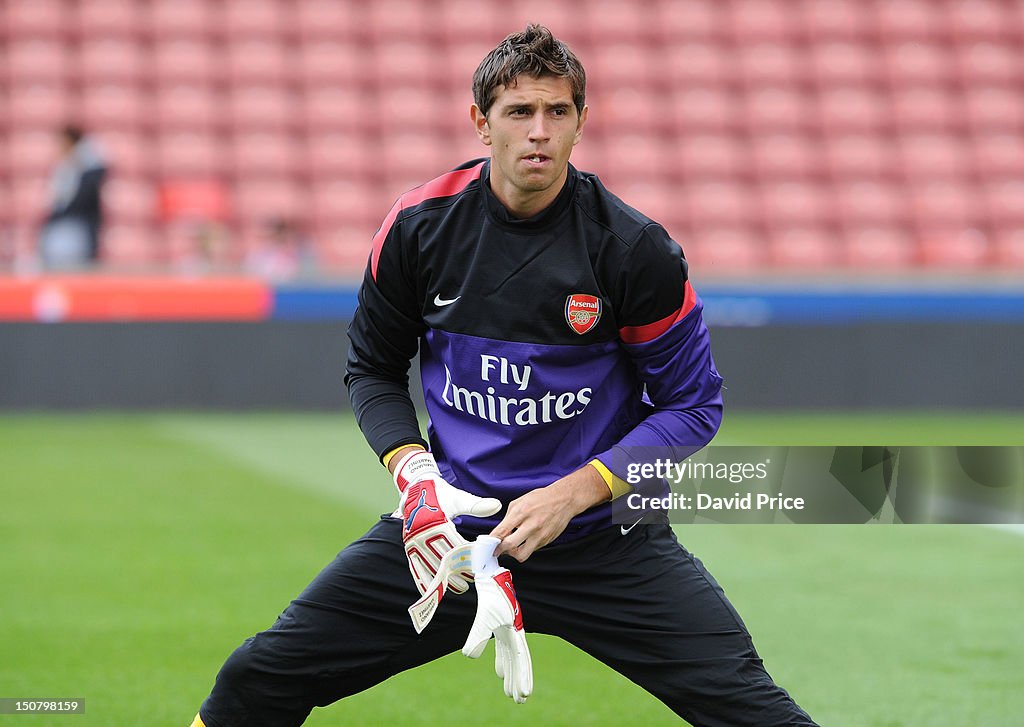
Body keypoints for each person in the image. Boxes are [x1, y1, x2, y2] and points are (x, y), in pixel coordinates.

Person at [190, 25, 818, 726]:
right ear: (480, 122)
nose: (539, 132)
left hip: (602, 542)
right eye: (520, 113)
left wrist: (572, 494)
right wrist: (415, 480)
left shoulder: (635, 250)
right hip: (451, 540)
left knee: (755, 710)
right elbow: (371, 366)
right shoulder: (418, 228)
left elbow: (693, 405)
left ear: (583, 122)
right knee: (257, 678)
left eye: (558, 112)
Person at [39, 125, 107, 269]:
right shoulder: (65, 167)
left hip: (78, 228)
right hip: (66, 225)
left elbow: (80, 199)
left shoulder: (89, 168)